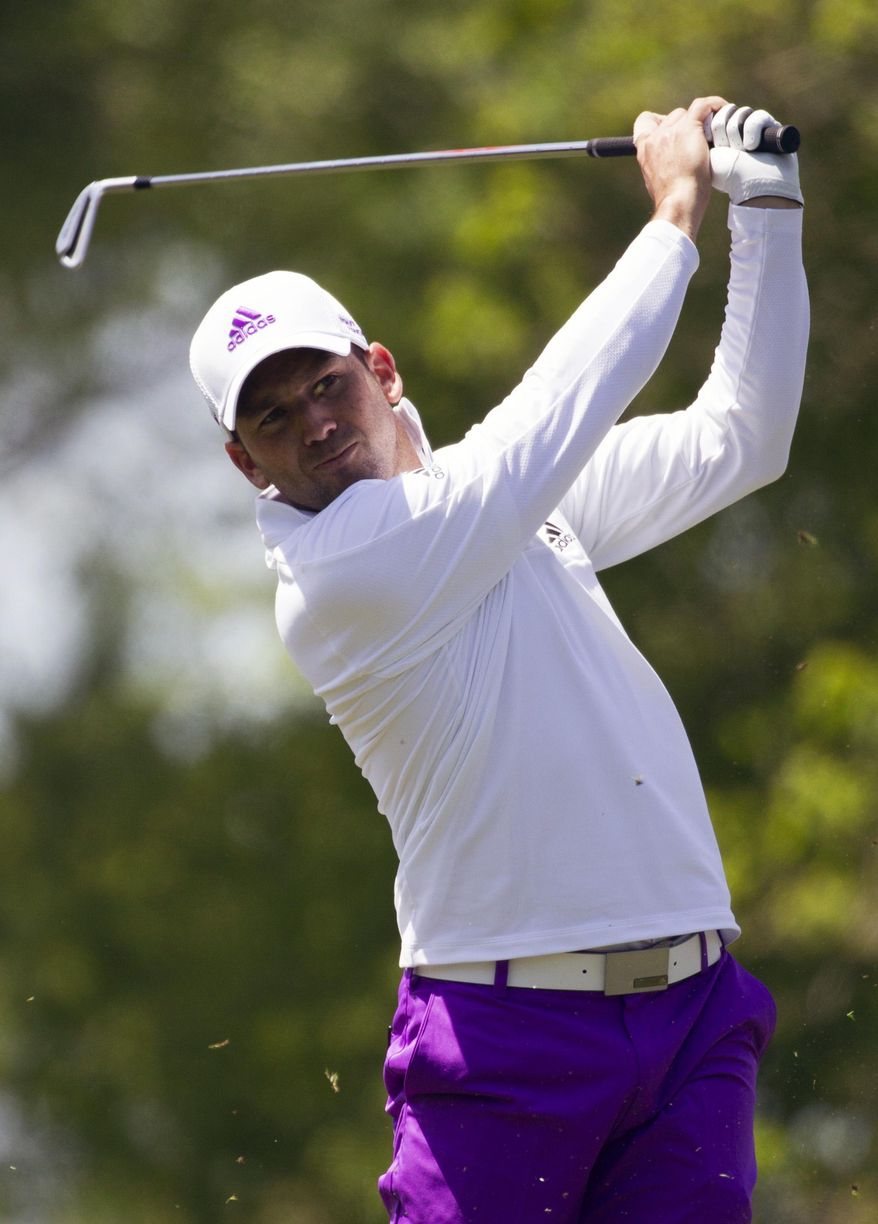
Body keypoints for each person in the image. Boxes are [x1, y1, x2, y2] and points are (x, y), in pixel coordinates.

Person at [189, 96, 808, 1224]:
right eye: (274, 419)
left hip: (691, 1015)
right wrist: (673, 212)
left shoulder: (499, 508)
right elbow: (546, 422)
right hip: (501, 1040)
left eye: (325, 383)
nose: (314, 423)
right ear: (246, 463)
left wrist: (763, 205)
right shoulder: (341, 577)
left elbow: (740, 440)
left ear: (378, 368)